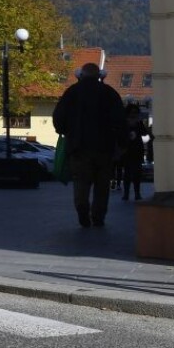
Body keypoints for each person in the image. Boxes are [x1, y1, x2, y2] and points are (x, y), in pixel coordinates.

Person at [53, 63, 126, 227]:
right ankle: (98, 216)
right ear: (99, 75)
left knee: (81, 183)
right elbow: (120, 120)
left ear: (81, 75)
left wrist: (65, 131)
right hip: (104, 148)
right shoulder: (109, 93)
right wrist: (121, 144)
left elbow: (59, 116)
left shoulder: (72, 92)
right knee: (102, 186)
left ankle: (82, 209)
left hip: (79, 147)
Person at [119, 103, 147, 201]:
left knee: (137, 174)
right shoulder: (124, 123)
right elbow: (121, 134)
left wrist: (140, 123)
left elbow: (144, 133)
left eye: (135, 112)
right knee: (127, 173)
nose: (133, 114)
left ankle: (137, 193)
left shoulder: (139, 123)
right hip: (127, 151)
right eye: (132, 112)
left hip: (137, 150)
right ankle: (126, 194)